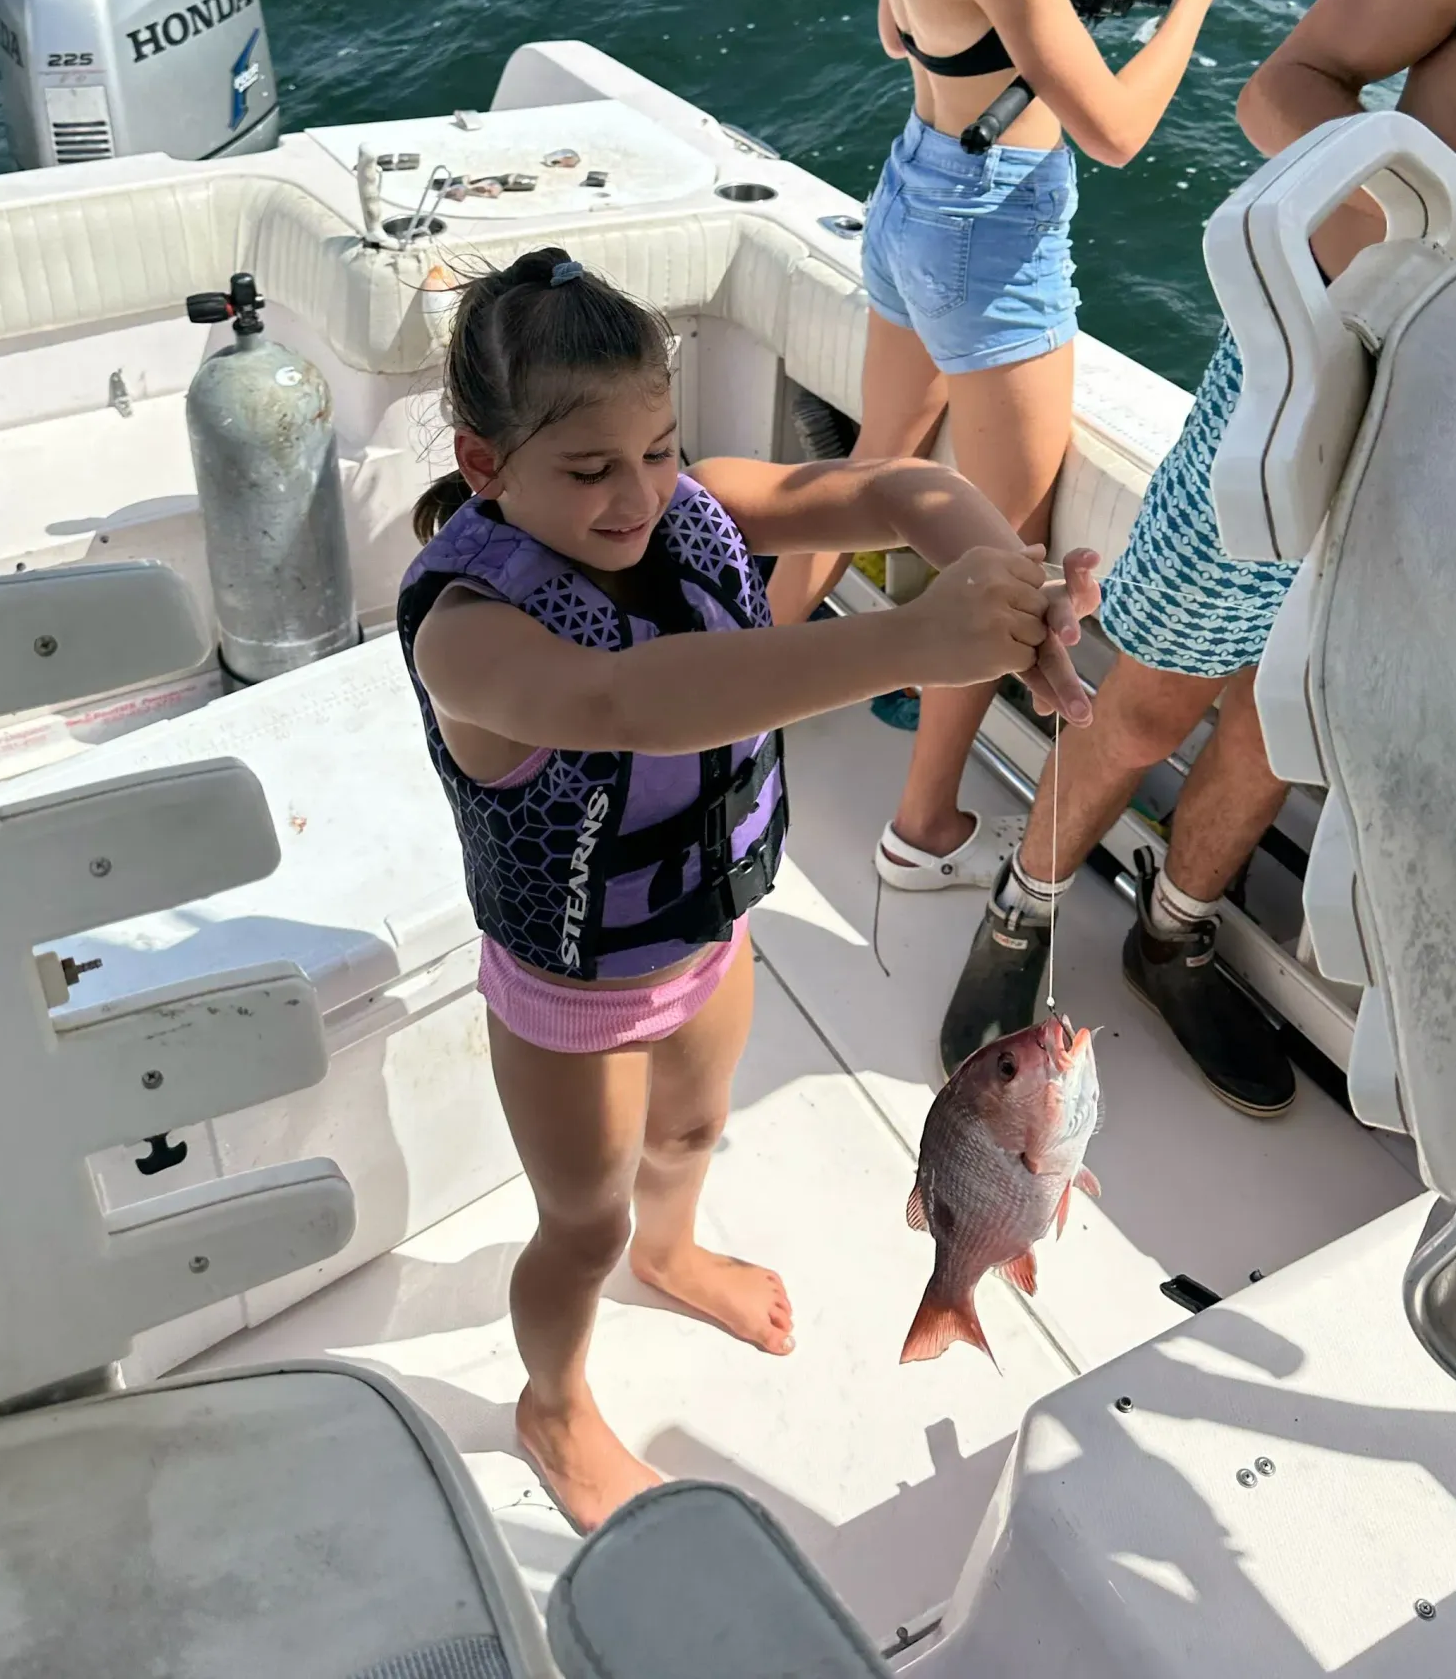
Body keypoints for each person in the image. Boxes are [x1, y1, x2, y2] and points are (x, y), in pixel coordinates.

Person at [397, 246, 1098, 1533]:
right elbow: (627, 704)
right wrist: (913, 639)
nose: (640, 496)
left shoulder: (696, 502)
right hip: (573, 994)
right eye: (591, 469)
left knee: (689, 1138)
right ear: (486, 466)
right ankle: (553, 1403)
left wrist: (1013, 584)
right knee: (581, 1225)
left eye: (659, 450)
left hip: (709, 936)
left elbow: (904, 486)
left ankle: (677, 1248)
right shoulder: (469, 630)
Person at [937, 0, 1456, 1109]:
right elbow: (1284, 87)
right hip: (1319, 366)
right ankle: (1018, 920)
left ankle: (1174, 931)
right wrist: (1422, 261)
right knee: (1152, 698)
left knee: (1291, 710)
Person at [767, 0, 1248, 906]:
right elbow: (1114, 130)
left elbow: (921, 19)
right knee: (1006, 568)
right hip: (993, 237)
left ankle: (751, 694)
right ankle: (921, 834)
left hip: (918, 193)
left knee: (872, 469)